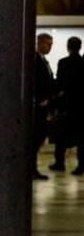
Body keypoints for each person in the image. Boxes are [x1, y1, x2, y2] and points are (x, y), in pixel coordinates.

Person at [49, 36, 84, 175]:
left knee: (61, 136)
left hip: (66, 105)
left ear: (68, 47)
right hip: (81, 105)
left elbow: (60, 84)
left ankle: (59, 163)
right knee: (81, 138)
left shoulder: (63, 62)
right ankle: (81, 166)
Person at [34, 33, 55, 180]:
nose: (50, 47)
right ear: (40, 43)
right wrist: (40, 99)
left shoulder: (43, 60)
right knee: (37, 136)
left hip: (44, 104)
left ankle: (33, 169)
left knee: (40, 136)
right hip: (39, 105)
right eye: (48, 44)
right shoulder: (36, 60)